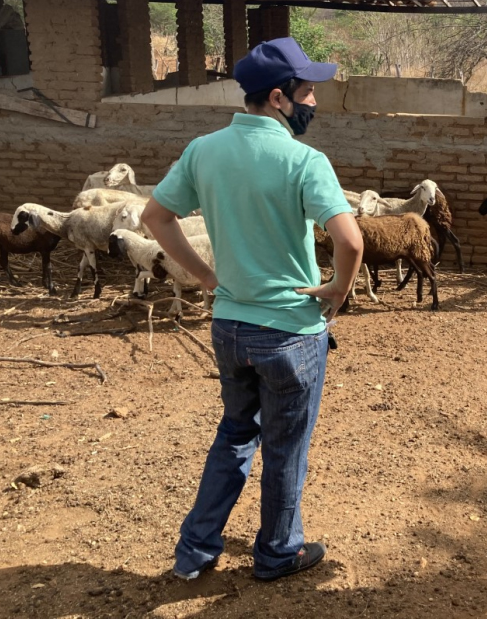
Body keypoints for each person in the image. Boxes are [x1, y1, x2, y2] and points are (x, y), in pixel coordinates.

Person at [141, 36, 363, 582]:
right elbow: (351, 241)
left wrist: (207, 277)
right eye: (308, 91)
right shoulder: (305, 161)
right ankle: (278, 551)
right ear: (279, 98)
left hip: (230, 326)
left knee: (236, 434)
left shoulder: (203, 150)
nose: (314, 101)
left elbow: (156, 217)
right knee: (286, 449)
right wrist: (337, 288)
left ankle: (194, 551)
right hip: (289, 334)